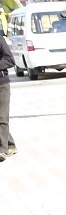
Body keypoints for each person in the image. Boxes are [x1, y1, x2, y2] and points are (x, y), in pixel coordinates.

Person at [0, 31, 16, 162]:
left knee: (2, 117)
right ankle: (10, 144)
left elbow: (10, 60)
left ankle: (2, 150)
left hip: (1, 85)